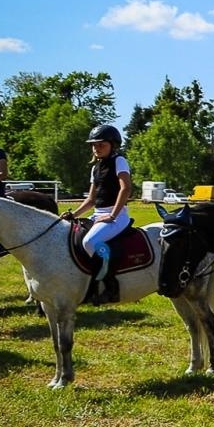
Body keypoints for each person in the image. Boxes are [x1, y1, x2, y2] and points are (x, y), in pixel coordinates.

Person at [65, 125, 131, 301]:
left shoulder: (119, 161)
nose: (96, 148)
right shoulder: (95, 168)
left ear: (112, 145)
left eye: (101, 144)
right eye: (94, 145)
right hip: (98, 215)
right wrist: (74, 215)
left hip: (118, 216)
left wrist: (112, 215)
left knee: (90, 241)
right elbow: (91, 200)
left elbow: (125, 189)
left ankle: (111, 286)